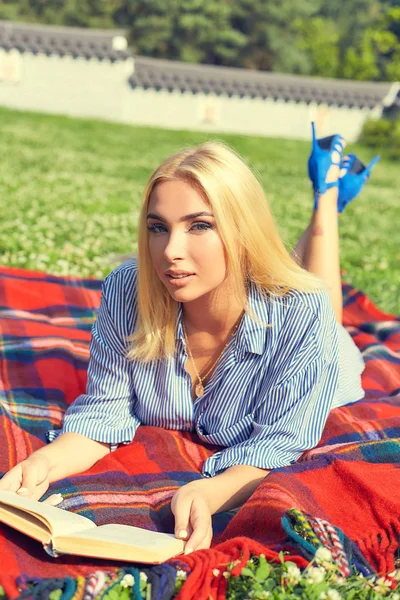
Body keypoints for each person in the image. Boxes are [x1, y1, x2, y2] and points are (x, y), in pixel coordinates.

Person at [0, 124, 379, 555]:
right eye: (158, 228)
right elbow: (102, 415)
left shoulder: (301, 313)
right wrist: (41, 464)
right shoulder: (128, 290)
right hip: (263, 287)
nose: (170, 251)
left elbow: (280, 442)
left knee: (318, 299)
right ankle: (324, 199)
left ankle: (327, 199)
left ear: (240, 230)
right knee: (288, 280)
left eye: (198, 226)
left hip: (325, 345)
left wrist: (212, 490)